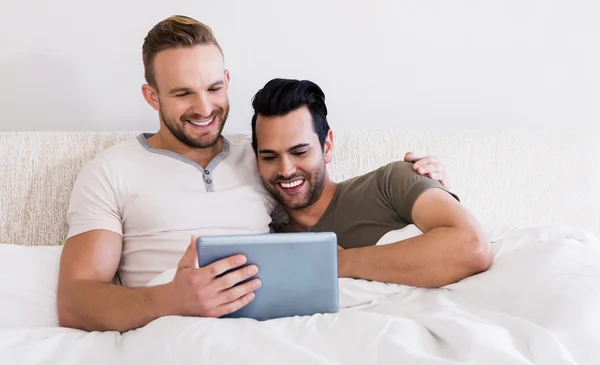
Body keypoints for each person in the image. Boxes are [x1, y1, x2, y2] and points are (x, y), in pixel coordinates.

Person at [57, 15, 451, 332]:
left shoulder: (263, 156)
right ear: (152, 96)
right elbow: (76, 301)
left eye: (214, 88)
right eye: (182, 94)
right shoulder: (111, 171)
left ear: (227, 82)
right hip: (173, 330)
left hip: (273, 329)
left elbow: (323, 206)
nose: (204, 107)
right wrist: (172, 300)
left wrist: (414, 182)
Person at [251, 78, 493, 288]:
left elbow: (473, 248)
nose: (286, 170)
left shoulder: (392, 182)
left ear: (327, 146)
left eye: (300, 152)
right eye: (270, 157)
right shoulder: (269, 241)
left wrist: (341, 263)